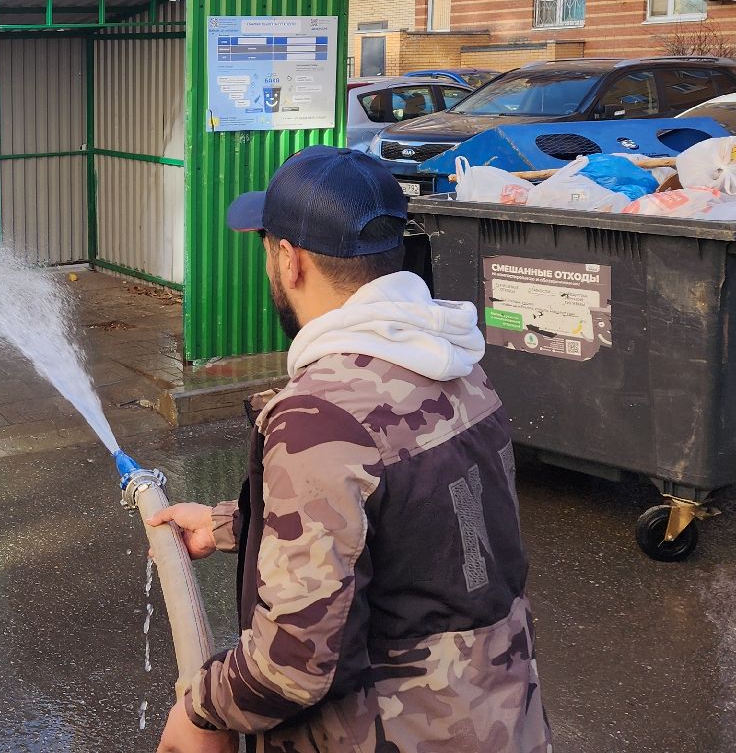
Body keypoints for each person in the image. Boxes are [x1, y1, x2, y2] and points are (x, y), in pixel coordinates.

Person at [150, 146, 550, 753]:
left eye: (267, 249)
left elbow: (291, 667)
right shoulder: (456, 361)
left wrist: (200, 709)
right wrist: (231, 524)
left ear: (290, 260)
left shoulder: (320, 417)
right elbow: (406, 525)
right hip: (500, 721)